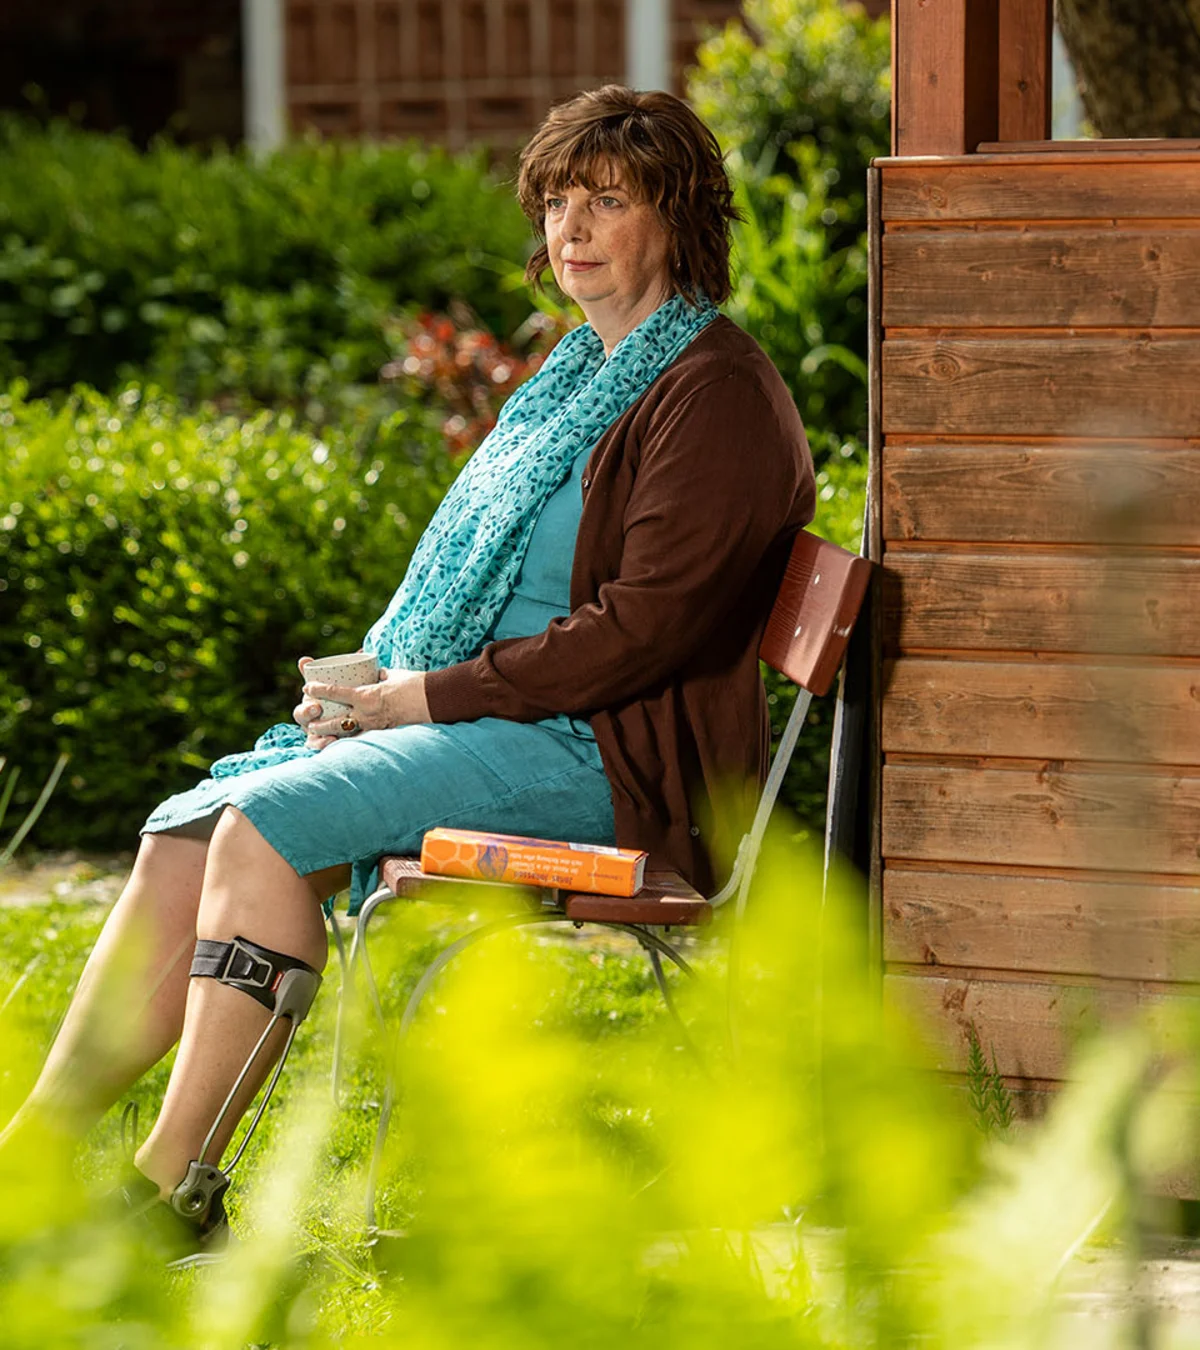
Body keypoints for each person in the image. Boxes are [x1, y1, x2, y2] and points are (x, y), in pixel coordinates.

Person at [0, 85, 815, 1262]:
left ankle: (167, 1194)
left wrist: (416, 699)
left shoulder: (715, 392)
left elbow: (645, 631)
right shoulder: (586, 371)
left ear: (679, 220)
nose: (569, 229)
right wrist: (378, 680)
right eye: (555, 203)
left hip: (611, 759)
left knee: (265, 824)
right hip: (516, 726)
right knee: (190, 829)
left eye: (606, 202)